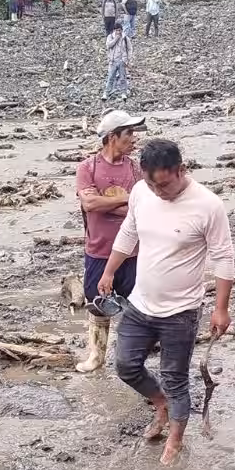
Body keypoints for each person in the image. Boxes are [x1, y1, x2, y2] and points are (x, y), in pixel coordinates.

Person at [101, 138, 235, 466]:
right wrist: (109, 272)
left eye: (164, 184)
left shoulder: (207, 205)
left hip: (181, 311)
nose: (159, 192)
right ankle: (160, 403)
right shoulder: (141, 192)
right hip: (140, 303)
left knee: (174, 376)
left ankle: (175, 438)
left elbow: (224, 256)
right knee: (125, 365)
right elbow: (128, 233)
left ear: (180, 170)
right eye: (151, 184)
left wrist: (221, 308)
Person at [75, 111, 144, 372]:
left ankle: (131, 357)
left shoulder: (136, 168)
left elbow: (141, 207)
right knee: (97, 304)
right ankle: (96, 356)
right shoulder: (88, 167)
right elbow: (89, 203)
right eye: (128, 134)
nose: (133, 139)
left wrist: (106, 205)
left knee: (135, 304)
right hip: (100, 249)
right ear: (112, 137)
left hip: (134, 250)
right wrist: (125, 199)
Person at [103, 20, 131, 100]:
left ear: (121, 30)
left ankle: (123, 93)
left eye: (119, 30)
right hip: (113, 61)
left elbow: (129, 49)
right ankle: (106, 93)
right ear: (114, 30)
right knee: (110, 78)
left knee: (123, 78)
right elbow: (109, 45)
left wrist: (127, 59)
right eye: (116, 30)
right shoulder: (110, 37)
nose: (118, 32)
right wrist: (116, 39)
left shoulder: (125, 38)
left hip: (122, 61)